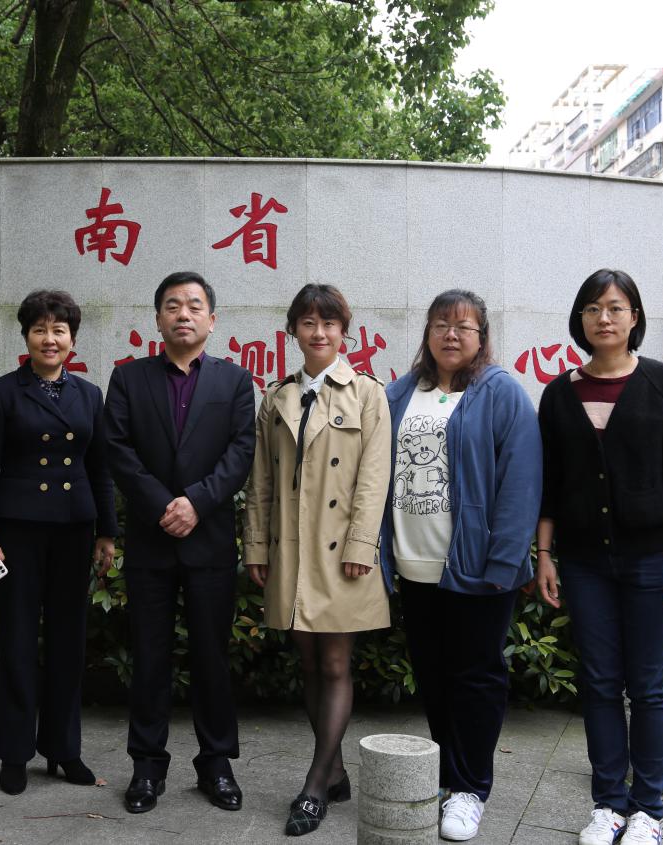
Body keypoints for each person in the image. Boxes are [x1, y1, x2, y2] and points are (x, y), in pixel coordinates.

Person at [534, 269, 663, 845]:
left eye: (614, 307)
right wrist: (545, 553)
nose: (603, 318)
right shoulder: (559, 394)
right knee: (600, 683)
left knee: (649, 686)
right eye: (592, 308)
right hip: (583, 562)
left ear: (634, 317)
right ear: (579, 319)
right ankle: (608, 804)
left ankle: (647, 810)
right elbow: (550, 481)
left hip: (653, 559)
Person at [378, 290, 541, 842]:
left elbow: (521, 481)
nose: (451, 335)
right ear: (427, 332)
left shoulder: (500, 392)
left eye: (464, 327)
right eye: (441, 324)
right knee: (433, 674)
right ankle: (447, 775)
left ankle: (470, 789)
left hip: (477, 566)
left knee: (476, 677)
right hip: (414, 563)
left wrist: (505, 559)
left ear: (481, 337)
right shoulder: (401, 393)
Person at [104, 271, 256, 815]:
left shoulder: (235, 381)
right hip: (151, 541)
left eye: (194, 305)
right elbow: (118, 450)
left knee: (212, 656)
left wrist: (196, 502)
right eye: (173, 305)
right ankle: (147, 766)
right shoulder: (129, 378)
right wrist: (162, 505)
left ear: (211, 320)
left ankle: (217, 763)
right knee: (149, 657)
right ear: (158, 319)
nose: (183, 314)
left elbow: (241, 452)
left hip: (208, 539)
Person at [242, 284, 391, 836]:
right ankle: (337, 771)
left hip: (341, 554)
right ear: (294, 332)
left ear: (344, 331)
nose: (319, 332)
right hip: (291, 551)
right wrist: (256, 546)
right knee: (308, 664)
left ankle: (314, 784)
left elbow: (374, 478)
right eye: (308, 323)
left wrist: (362, 545)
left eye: (329, 323)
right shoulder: (277, 397)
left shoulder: (368, 394)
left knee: (334, 665)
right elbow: (260, 480)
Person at [0, 290, 117, 796]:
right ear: (26, 336)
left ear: (72, 339)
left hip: (74, 530)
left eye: (59, 330)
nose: (49, 339)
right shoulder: (0, 393)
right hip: (18, 533)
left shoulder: (89, 395)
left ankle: (63, 749)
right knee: (17, 640)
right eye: (39, 329)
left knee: (69, 643)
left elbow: (100, 468)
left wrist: (107, 531)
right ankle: (14, 753)